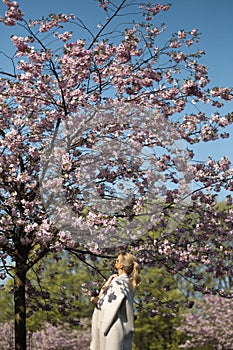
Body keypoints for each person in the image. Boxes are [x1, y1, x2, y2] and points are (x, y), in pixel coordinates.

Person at [90, 252, 141, 350]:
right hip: (122, 328)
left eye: (117, 260)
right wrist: (109, 282)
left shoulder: (119, 283)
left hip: (113, 329)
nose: (115, 262)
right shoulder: (128, 283)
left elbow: (108, 306)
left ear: (121, 265)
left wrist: (95, 300)